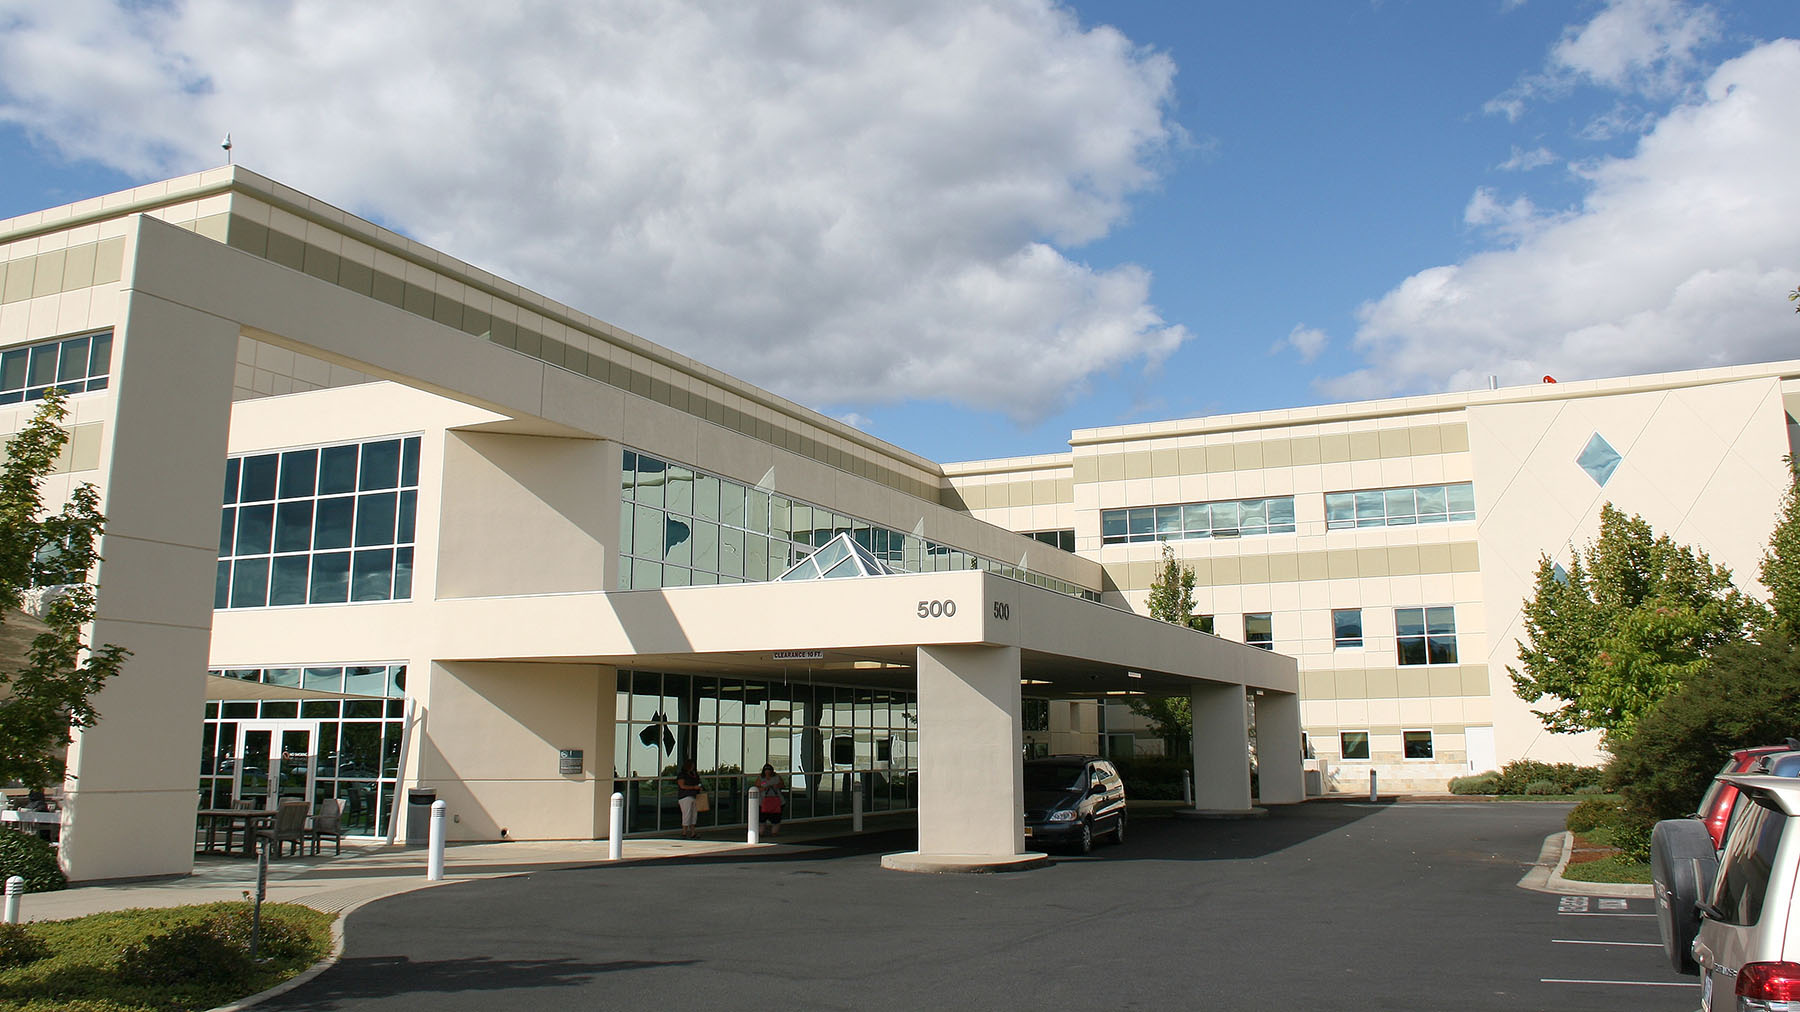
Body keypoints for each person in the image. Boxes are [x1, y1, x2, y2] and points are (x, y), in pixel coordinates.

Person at [675, 760, 703, 839]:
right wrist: (694, 787)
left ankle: (693, 833)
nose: (693, 767)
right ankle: (684, 832)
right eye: (692, 765)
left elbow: (698, 782)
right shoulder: (682, 775)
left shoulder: (694, 774)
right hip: (685, 797)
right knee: (686, 814)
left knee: (694, 815)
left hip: (695, 796)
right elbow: (682, 786)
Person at [755, 763, 785, 837]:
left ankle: (774, 832)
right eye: (766, 770)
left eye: (769, 770)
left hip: (776, 801)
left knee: (776, 818)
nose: (767, 772)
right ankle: (761, 832)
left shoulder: (776, 777)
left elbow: (783, 785)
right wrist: (763, 788)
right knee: (762, 818)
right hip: (763, 801)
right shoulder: (761, 778)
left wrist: (777, 785)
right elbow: (757, 787)